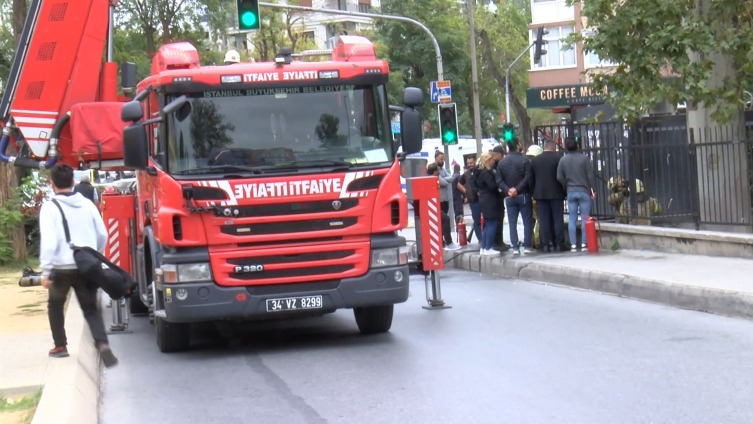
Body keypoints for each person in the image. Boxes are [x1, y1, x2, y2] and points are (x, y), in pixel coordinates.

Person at [40, 163, 118, 367]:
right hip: (86, 265)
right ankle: (101, 343)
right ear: (73, 182)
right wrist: (95, 255)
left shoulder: (49, 207)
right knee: (91, 308)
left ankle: (60, 346)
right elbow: (102, 234)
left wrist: (46, 270)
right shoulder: (87, 205)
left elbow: (49, 241)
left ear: (51, 183)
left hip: (61, 267)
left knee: (55, 304)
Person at [557, 137, 596, 252]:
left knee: (572, 218)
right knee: (585, 217)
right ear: (577, 146)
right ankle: (584, 243)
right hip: (584, 191)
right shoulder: (584, 159)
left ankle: (573, 244)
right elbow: (590, 176)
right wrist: (592, 189)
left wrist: (567, 184)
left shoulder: (563, 160)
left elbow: (559, 176)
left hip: (571, 191)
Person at [496, 137, 533, 254]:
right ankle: (527, 245)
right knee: (527, 221)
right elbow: (528, 177)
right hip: (523, 195)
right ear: (517, 145)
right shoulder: (525, 160)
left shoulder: (502, 163)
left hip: (509, 197)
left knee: (512, 222)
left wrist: (508, 190)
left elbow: (499, 180)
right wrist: (517, 189)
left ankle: (515, 246)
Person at [530, 139, 566, 252]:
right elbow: (562, 176)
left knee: (543, 220)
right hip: (556, 193)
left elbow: (531, 179)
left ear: (544, 146)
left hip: (540, 194)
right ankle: (559, 243)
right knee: (557, 219)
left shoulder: (535, 161)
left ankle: (545, 244)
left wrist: (533, 193)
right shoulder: (558, 159)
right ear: (553, 147)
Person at [427, 163, 461, 250]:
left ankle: (442, 243)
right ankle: (448, 242)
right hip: (432, 205)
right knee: (445, 219)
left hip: (434, 204)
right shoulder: (433, 178)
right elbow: (445, 182)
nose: (439, 172)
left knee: (441, 221)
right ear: (435, 171)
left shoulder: (431, 178)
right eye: (437, 170)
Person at [473, 152, 501, 256]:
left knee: (487, 224)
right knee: (491, 223)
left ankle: (484, 247)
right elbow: (492, 186)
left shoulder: (478, 172)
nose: (493, 161)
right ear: (487, 160)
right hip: (490, 199)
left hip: (483, 199)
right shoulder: (487, 172)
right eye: (492, 160)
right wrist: (499, 188)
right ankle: (488, 247)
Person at [490, 145, 509, 251]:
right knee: (496, 219)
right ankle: (496, 242)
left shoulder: (501, 164)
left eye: (495, 154)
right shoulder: (493, 167)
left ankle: (499, 241)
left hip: (501, 195)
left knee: (500, 218)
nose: (493, 157)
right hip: (495, 196)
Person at [458, 156, 481, 243]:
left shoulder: (478, 171)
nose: (470, 165)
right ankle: (480, 239)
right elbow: (459, 184)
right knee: (476, 220)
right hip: (473, 200)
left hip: (482, 199)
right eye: (468, 163)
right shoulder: (466, 174)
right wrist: (466, 192)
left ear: (474, 162)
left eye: (471, 163)